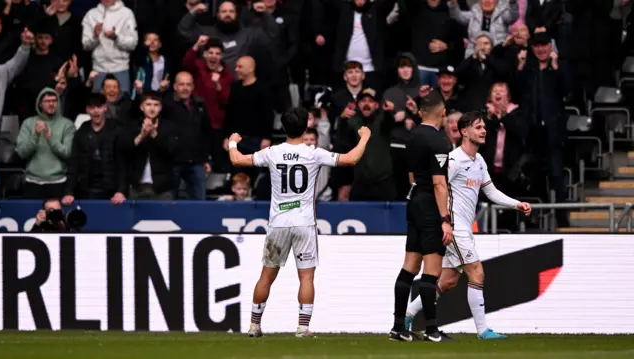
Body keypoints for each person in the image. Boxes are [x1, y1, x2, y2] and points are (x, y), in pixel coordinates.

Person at [227, 107, 371, 338]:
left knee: (266, 276)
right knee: (306, 277)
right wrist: (364, 137)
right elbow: (351, 159)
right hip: (304, 222)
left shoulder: (272, 152)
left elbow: (236, 160)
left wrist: (233, 142)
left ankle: (254, 325)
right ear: (305, 128)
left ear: (283, 128)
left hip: (278, 223)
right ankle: (303, 328)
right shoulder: (313, 153)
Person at [404, 111, 532, 339]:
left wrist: (516, 204)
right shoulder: (453, 161)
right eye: (478, 127)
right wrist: (442, 221)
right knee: (477, 272)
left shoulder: (479, 161)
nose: (484, 131)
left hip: (463, 227)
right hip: (453, 228)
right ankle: (483, 330)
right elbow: (435, 186)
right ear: (464, 131)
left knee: (448, 280)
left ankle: (408, 313)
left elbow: (490, 191)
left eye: (484, 127)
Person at [390, 90, 452, 342]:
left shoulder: (412, 136)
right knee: (431, 269)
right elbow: (439, 183)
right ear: (443, 112)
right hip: (429, 205)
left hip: (413, 200)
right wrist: (445, 219)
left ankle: (398, 328)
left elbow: (411, 176)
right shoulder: (438, 140)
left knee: (410, 265)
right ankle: (432, 330)